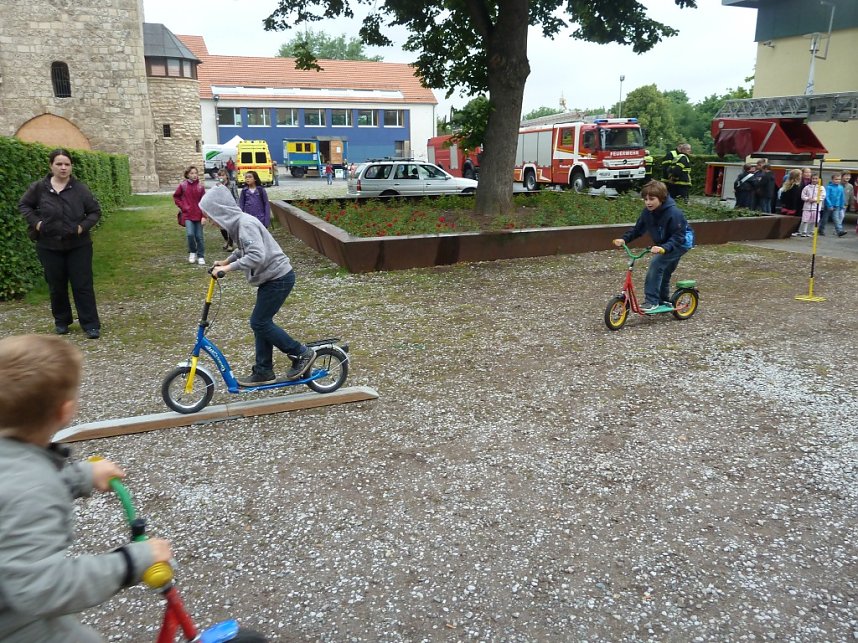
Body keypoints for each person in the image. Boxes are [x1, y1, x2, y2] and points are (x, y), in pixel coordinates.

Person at [0, 334, 173, 642]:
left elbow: (13, 490)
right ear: (65, 412)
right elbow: (42, 588)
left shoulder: (18, 469)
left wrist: (80, 476)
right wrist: (131, 561)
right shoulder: (31, 486)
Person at [201, 185, 316, 384]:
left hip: (279, 278)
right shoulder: (239, 225)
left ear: (221, 211)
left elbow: (256, 256)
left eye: (210, 216)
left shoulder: (245, 224)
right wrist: (226, 261)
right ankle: (264, 370)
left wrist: (228, 269)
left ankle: (301, 353)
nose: (210, 221)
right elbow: (244, 249)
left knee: (259, 322)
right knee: (261, 323)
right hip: (271, 279)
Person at [18, 148, 102, 339]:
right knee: (56, 285)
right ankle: (62, 321)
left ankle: (90, 324)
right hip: (49, 245)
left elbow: (95, 211)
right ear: (51, 166)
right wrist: (37, 223)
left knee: (82, 285)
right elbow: (24, 205)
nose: (63, 168)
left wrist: (81, 227)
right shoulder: (39, 188)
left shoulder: (80, 189)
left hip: (78, 245)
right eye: (59, 164)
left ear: (71, 166)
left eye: (67, 164)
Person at [612, 180, 691, 312]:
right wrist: (624, 239)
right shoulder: (647, 213)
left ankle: (651, 301)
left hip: (680, 243)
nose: (648, 202)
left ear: (661, 198)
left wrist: (664, 248)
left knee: (657, 264)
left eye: (652, 199)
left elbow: (678, 236)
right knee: (664, 271)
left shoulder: (674, 213)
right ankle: (662, 300)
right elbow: (638, 229)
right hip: (664, 244)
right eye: (645, 199)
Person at [173, 166, 207, 265]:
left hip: (199, 215)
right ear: (187, 175)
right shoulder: (183, 186)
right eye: (192, 173)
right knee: (190, 234)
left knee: (199, 237)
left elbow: (204, 203)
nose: (194, 175)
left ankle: (201, 256)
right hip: (188, 215)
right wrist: (183, 206)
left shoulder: (200, 187)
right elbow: (176, 197)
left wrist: (204, 216)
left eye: (195, 173)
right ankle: (192, 252)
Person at [795, 173, 825, 237]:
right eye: (813, 178)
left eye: (816, 179)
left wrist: (815, 199)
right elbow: (803, 195)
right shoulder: (807, 187)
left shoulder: (821, 188)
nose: (814, 180)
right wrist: (808, 199)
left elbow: (822, 196)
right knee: (805, 219)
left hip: (816, 207)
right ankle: (804, 231)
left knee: (815, 220)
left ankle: (812, 231)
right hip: (807, 207)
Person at [819, 172, 846, 237]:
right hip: (829, 206)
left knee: (836, 218)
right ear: (832, 180)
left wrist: (842, 205)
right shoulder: (829, 187)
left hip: (837, 205)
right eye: (836, 179)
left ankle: (839, 231)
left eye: (839, 179)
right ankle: (821, 229)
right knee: (825, 218)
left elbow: (842, 197)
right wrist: (829, 205)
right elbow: (827, 197)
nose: (837, 181)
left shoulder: (841, 187)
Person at [215, 169, 235, 251]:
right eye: (220, 175)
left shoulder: (232, 185)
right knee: (222, 226)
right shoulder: (217, 185)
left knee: (230, 226)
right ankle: (226, 240)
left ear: (226, 176)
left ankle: (230, 244)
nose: (222, 177)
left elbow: (235, 196)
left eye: (223, 175)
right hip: (221, 208)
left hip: (230, 208)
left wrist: (237, 207)